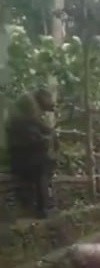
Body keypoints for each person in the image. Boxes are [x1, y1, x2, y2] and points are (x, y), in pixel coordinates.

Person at [6, 88, 58, 218]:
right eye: (49, 99)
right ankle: (43, 207)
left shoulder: (30, 107)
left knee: (43, 167)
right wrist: (48, 132)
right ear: (42, 96)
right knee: (41, 169)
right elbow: (33, 123)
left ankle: (41, 205)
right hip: (21, 154)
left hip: (23, 152)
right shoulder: (29, 101)